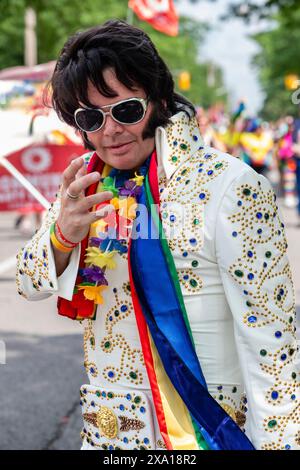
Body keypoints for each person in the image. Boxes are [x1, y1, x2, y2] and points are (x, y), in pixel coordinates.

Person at [16, 20, 299, 451]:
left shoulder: (229, 185)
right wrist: (61, 235)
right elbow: (26, 282)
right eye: (91, 117)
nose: (109, 131)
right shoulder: (85, 187)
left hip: (208, 430)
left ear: (159, 99)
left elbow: (272, 344)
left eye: (125, 110)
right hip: (113, 433)